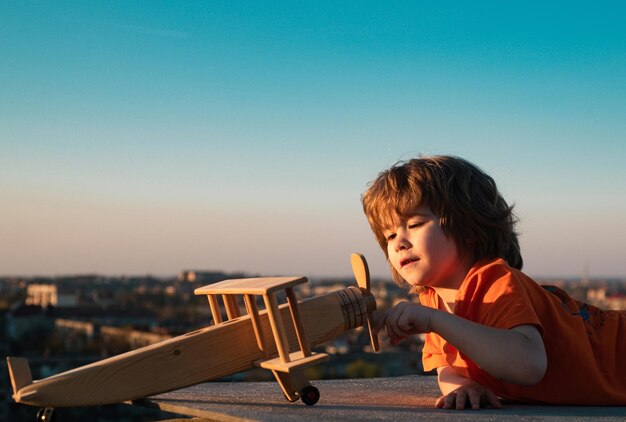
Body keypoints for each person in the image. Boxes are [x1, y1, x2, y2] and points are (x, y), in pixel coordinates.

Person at [361, 155, 626, 409]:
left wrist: (435, 321)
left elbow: (529, 365)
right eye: (390, 235)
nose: (398, 243)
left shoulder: (496, 281)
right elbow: (447, 366)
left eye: (415, 224)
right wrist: (461, 387)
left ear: (468, 229)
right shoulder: (432, 302)